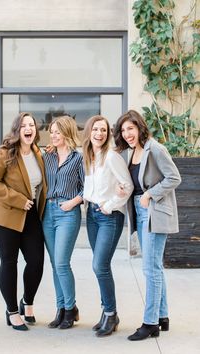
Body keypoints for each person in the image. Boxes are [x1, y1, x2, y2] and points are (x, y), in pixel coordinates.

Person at [113, 110, 181, 341]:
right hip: (140, 212)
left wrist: (151, 194)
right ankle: (162, 317)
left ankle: (150, 322)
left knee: (150, 269)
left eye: (130, 128)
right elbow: (137, 183)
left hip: (153, 212)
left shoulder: (156, 149)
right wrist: (125, 190)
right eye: (123, 130)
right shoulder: (132, 152)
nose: (127, 134)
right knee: (155, 267)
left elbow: (174, 177)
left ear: (140, 127)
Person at [0, 112, 47, 331]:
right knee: (9, 262)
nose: (29, 128)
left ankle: (27, 302)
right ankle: (12, 311)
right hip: (5, 216)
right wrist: (19, 199)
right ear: (17, 130)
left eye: (32, 125)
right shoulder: (4, 154)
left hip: (30, 216)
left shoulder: (39, 153)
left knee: (36, 261)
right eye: (24, 125)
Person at [82, 115, 133, 337]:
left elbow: (127, 185)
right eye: (96, 129)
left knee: (99, 265)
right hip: (92, 216)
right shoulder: (89, 157)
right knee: (101, 266)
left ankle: (111, 313)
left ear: (108, 134)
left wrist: (111, 204)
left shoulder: (112, 157)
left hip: (109, 217)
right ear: (89, 132)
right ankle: (106, 312)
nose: (99, 134)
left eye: (103, 130)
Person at [42, 115, 84, 330]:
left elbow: (88, 188)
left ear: (67, 132)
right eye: (51, 132)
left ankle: (70, 308)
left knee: (61, 262)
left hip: (68, 212)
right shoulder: (46, 156)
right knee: (54, 264)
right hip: (47, 213)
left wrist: (72, 202)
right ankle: (60, 309)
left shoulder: (78, 158)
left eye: (57, 132)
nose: (53, 135)